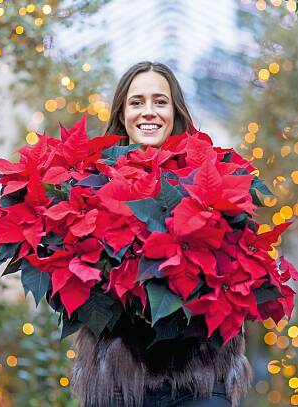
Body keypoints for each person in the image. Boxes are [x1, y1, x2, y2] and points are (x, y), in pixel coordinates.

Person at [71, 61, 252, 407]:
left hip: (201, 378)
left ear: (175, 110)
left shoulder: (210, 173)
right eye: (136, 102)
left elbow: (240, 263)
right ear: (122, 114)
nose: (148, 112)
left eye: (160, 101)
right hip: (119, 382)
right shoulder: (91, 180)